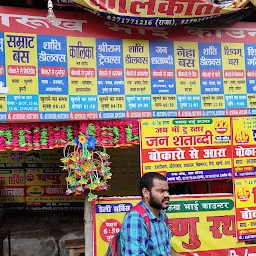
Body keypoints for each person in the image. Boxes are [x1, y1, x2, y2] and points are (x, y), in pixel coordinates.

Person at [120, 172, 181, 256]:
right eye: (161, 191)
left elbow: (166, 249)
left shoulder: (162, 215)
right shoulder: (136, 218)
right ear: (146, 192)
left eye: (167, 191)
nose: (167, 195)